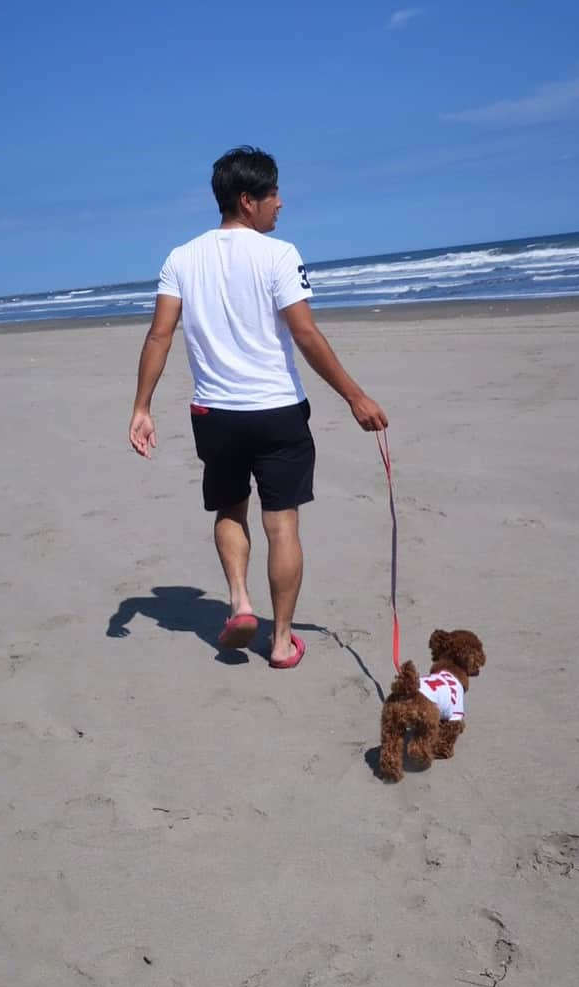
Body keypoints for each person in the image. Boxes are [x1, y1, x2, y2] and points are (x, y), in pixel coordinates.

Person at [128, 146, 388, 668]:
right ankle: (282, 638)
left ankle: (241, 603)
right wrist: (355, 396)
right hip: (277, 413)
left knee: (230, 509)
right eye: (273, 195)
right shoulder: (279, 255)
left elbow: (159, 336)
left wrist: (142, 407)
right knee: (282, 524)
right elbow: (305, 334)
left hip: (214, 416)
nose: (281, 204)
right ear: (248, 201)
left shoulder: (180, 257)